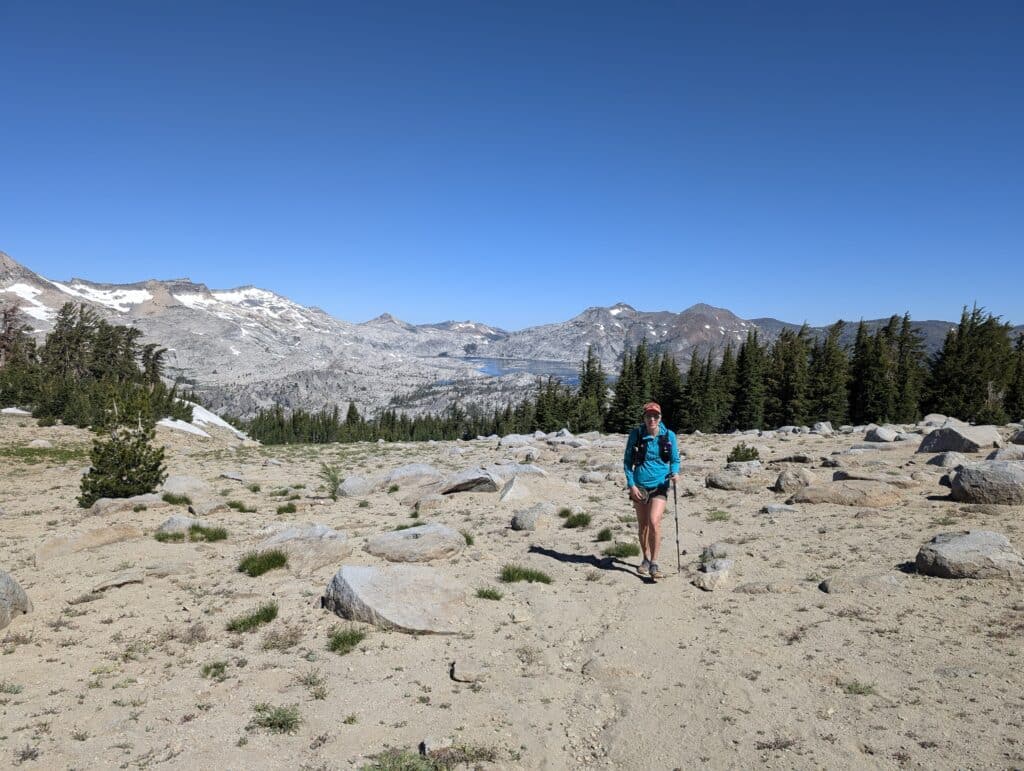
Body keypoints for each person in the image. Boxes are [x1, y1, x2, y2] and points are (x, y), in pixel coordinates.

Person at [623, 401, 680, 580]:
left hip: (660, 485)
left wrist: (675, 472)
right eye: (649, 416)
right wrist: (631, 485)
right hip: (639, 486)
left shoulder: (669, 435)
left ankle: (654, 563)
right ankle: (645, 559)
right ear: (644, 418)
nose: (652, 419)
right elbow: (627, 462)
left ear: (660, 417)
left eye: (655, 416)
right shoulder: (636, 435)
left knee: (654, 521)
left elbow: (675, 459)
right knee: (643, 526)